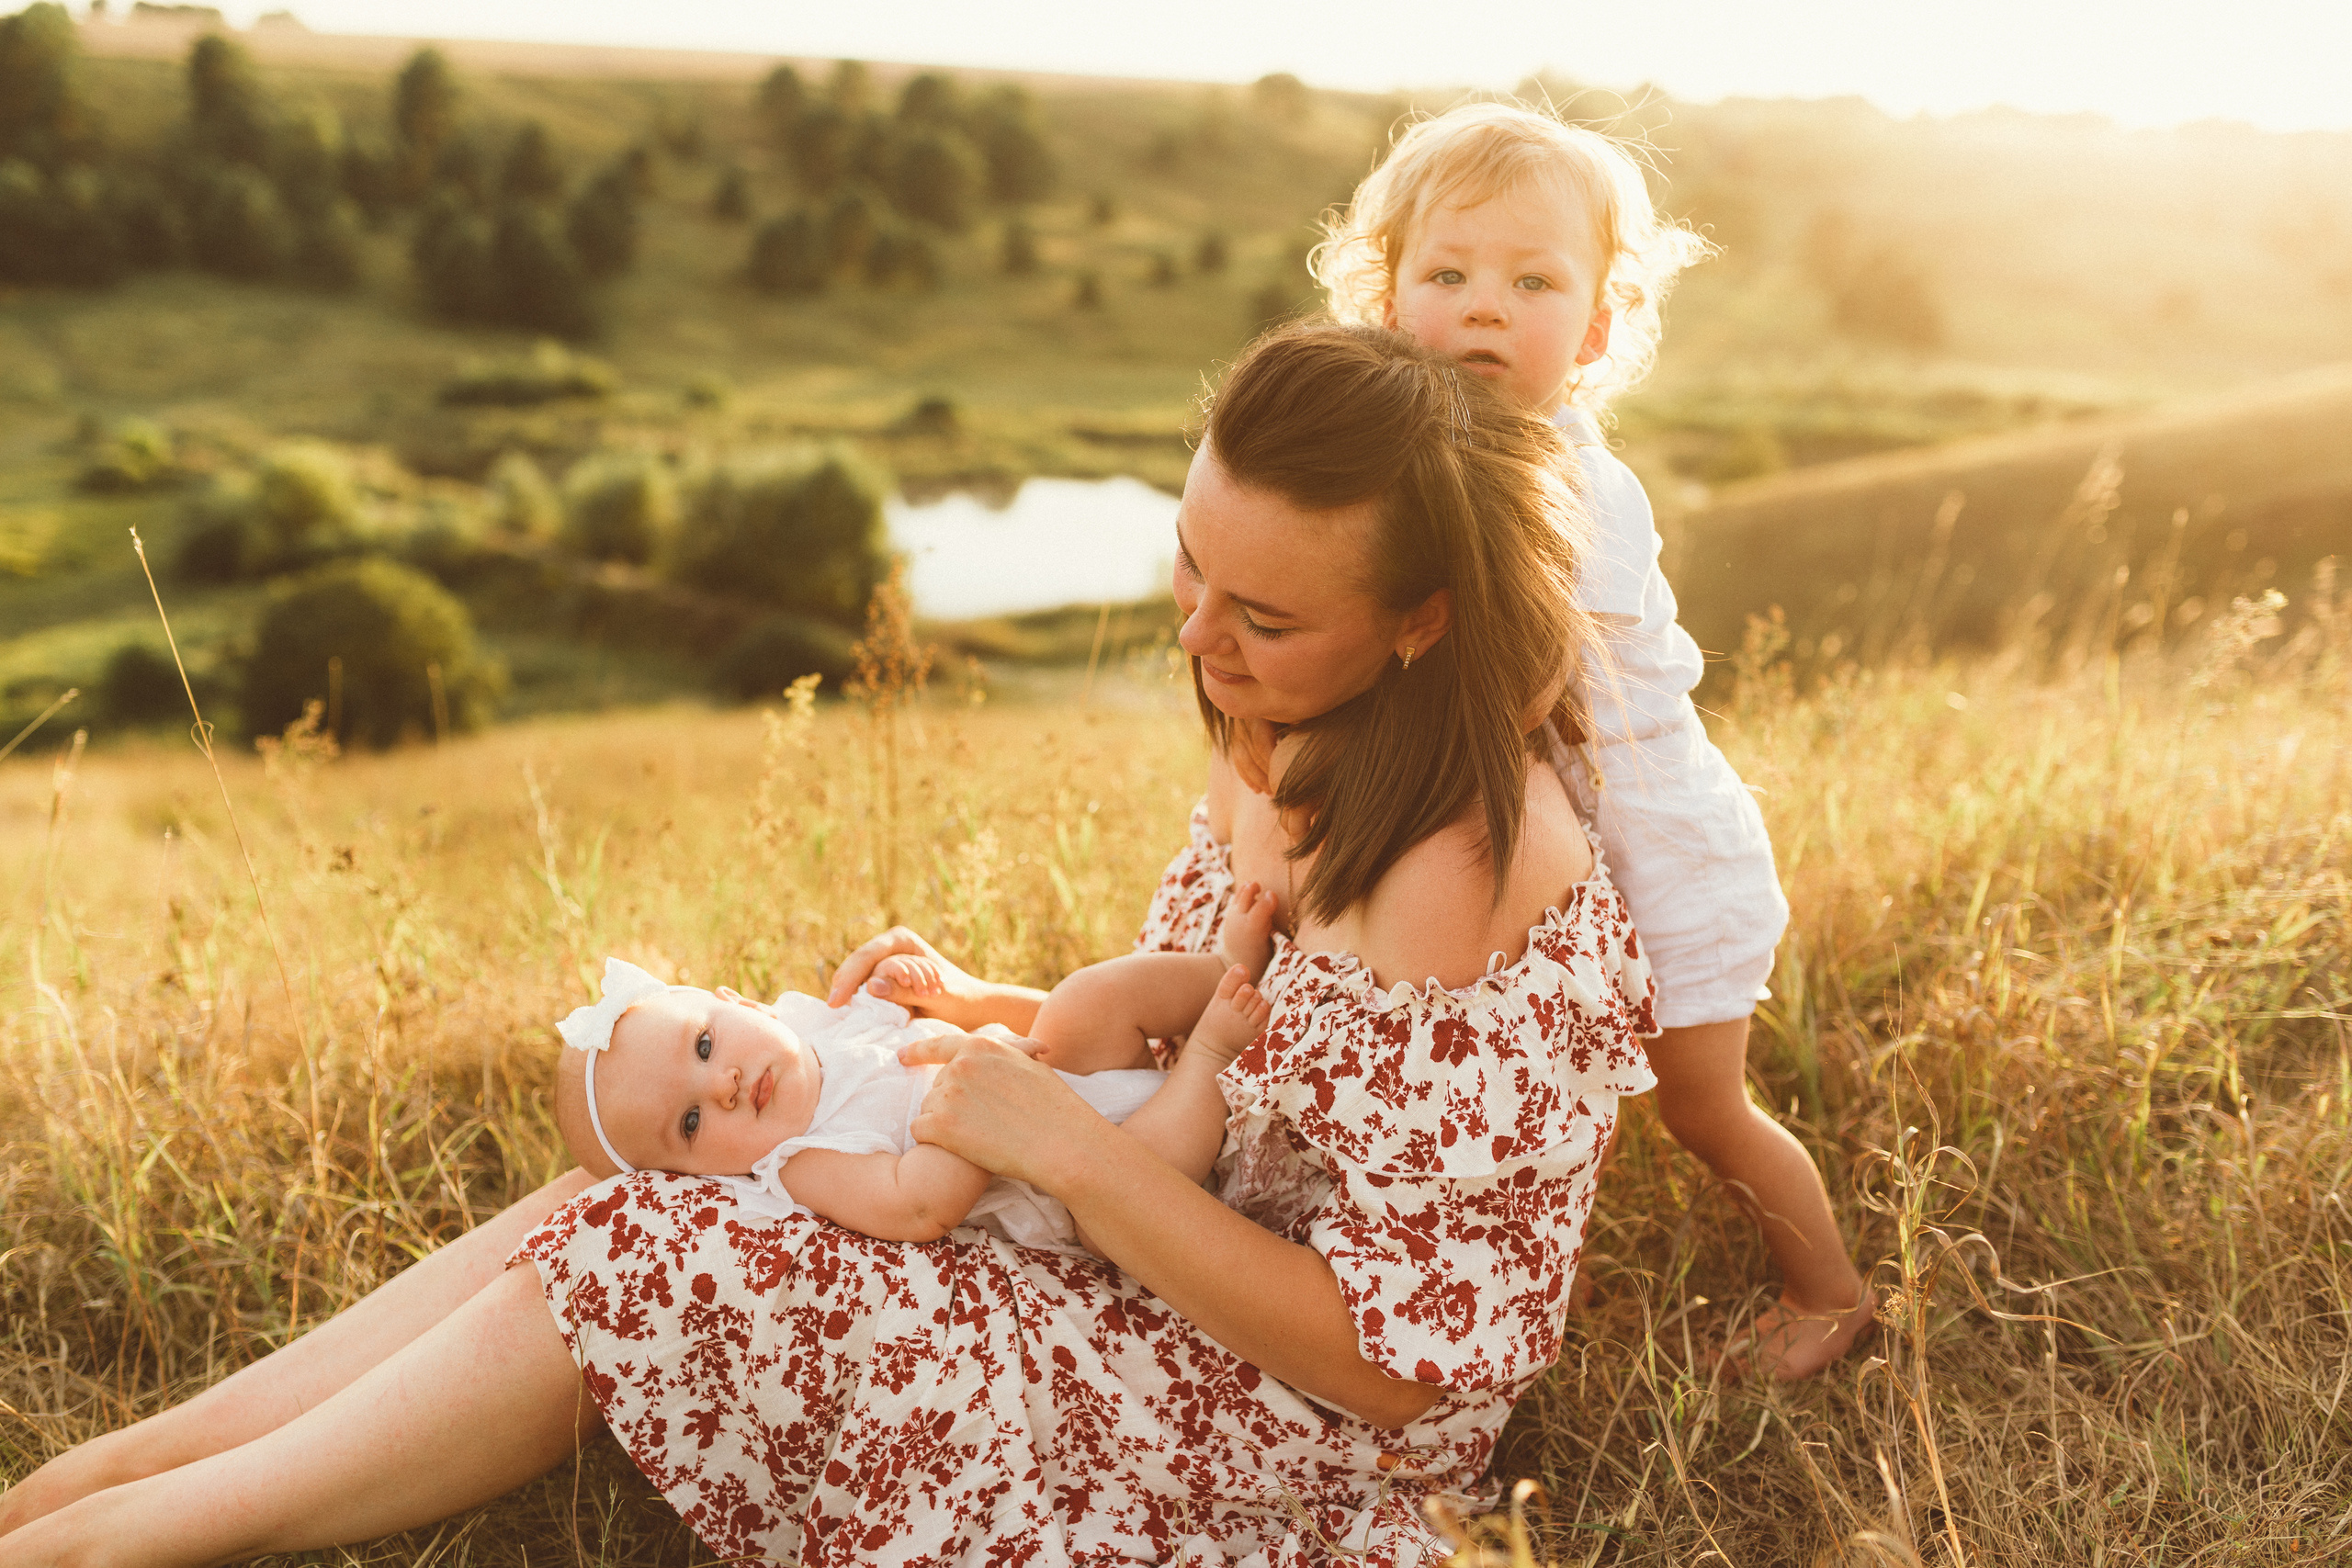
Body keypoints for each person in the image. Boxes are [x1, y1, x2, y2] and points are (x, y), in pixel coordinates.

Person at [0, 322, 1655, 1566]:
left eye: (1264, 615)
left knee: (656, 1251)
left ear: (1421, 618)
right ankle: (120, 1469)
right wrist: (1009, 1016)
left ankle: (117, 1543)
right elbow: (1224, 1034)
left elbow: (1396, 1372)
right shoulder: (1297, 723)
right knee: (639, 1179)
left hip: (1291, 1420)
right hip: (1137, 1251)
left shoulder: (1457, 874)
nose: (1198, 636)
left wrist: (1071, 1156)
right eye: (1190, 567)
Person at [1311, 99, 1873, 1378]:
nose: (1486, 307)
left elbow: (1523, 685)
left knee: (1702, 1100)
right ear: (1390, 299)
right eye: (1447, 273)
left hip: (1667, 851)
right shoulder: (1451, 457)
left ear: (1599, 324)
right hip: (1593, 855)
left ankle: (1829, 1292)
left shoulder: (1570, 482)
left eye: (1533, 280)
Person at [548, 913, 1276, 1247]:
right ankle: (1211, 1053)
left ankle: (1219, 972)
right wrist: (977, 1071)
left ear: (738, 1001)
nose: (724, 1086)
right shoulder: (802, 1161)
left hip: (1065, 1075)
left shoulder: (826, 1021)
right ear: (697, 1178)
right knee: (1133, 1178)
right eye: (691, 1123)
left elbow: (1032, 1029)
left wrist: (955, 1001)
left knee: (1082, 999)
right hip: (1079, 1172)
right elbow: (920, 1206)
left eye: (705, 1044)